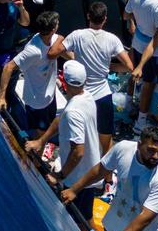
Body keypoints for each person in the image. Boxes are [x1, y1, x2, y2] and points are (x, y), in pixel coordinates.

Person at [48, 1, 133, 152]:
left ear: (88, 16)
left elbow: (55, 52)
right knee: (105, 137)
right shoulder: (112, 39)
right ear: (105, 19)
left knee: (77, 135)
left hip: (81, 94)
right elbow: (128, 66)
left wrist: (62, 41)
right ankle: (107, 175)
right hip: (103, 95)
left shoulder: (77, 35)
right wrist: (111, 67)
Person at [26, 61, 103, 222]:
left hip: (78, 179)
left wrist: (59, 176)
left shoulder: (73, 112)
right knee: (84, 215)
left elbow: (78, 152)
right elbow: (60, 119)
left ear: (64, 82)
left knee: (77, 221)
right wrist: (41, 141)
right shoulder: (86, 96)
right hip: (89, 171)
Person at [0, 11, 61, 138]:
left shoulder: (53, 39)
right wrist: (1, 96)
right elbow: (8, 67)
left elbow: (61, 43)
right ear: (53, 29)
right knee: (40, 133)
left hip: (50, 96)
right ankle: (20, 138)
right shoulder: (32, 51)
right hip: (37, 102)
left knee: (50, 126)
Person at [125, 0, 158, 132]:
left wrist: (138, 21)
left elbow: (126, 15)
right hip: (153, 50)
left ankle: (128, 105)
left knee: (134, 73)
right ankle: (140, 123)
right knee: (148, 85)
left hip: (137, 42)